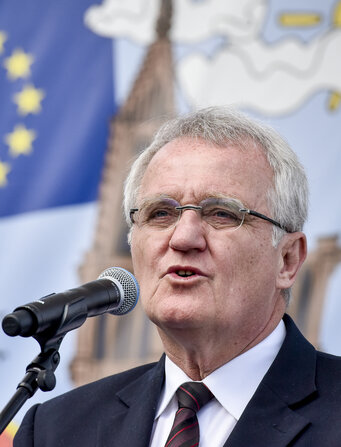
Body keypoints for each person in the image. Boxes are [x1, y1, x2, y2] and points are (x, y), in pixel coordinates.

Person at [14, 106, 341, 446]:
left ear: (287, 260)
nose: (183, 238)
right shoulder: (55, 430)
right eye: (160, 213)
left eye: (221, 213)